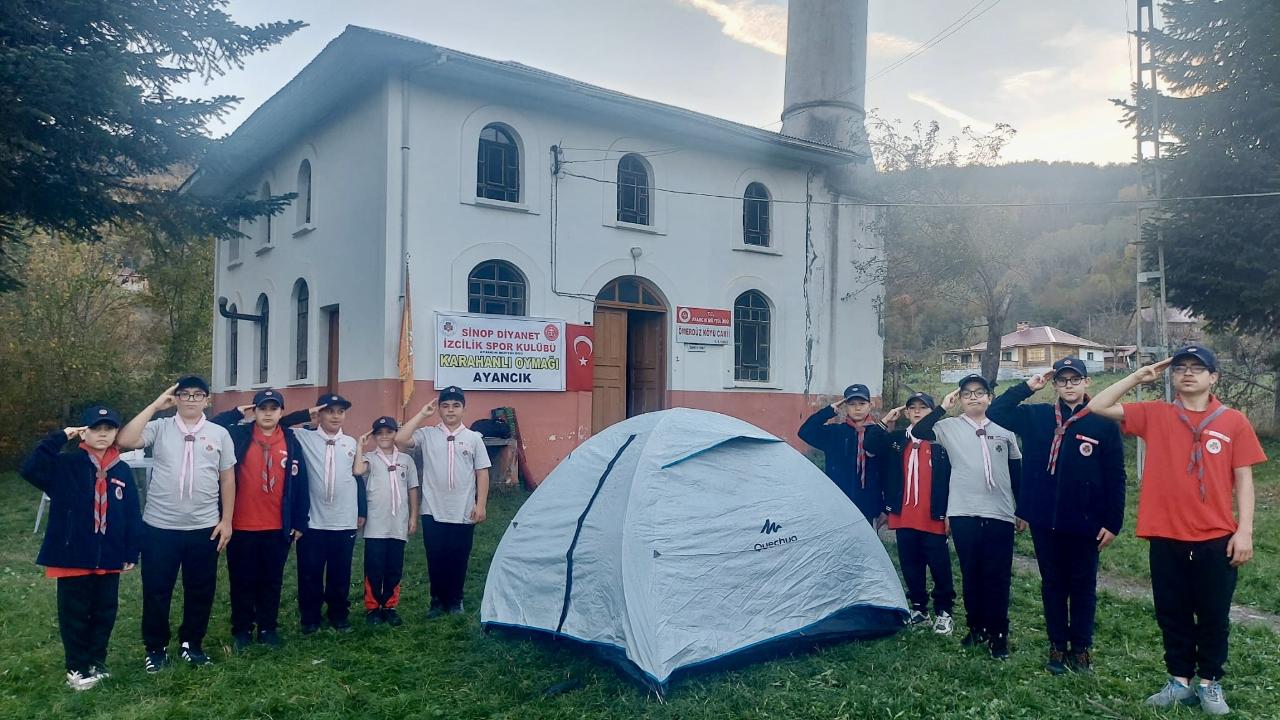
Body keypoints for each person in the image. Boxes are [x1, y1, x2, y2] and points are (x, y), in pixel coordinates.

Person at [1088, 346, 1266, 715]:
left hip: (1217, 537)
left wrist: (1244, 530)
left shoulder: (1234, 421)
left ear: (1213, 377)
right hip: (1166, 535)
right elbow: (1098, 406)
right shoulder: (1156, 414)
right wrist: (1138, 376)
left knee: (1214, 614)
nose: (1188, 374)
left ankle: (1210, 682)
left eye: (1198, 369)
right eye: (1181, 368)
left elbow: (1244, 481)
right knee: (1172, 612)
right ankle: (1179, 681)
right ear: (1171, 376)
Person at [987, 357, 1126, 675]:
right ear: (1054, 385)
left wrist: (1113, 522)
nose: (1068, 386)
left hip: (1086, 522)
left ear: (1086, 383)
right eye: (1062, 381)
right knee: (1052, 584)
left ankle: (1081, 649)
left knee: (1082, 586)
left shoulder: (1102, 421)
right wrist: (1027, 387)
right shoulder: (1037, 416)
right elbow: (997, 412)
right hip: (1044, 518)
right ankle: (1057, 647)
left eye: (1074, 380)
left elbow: (1116, 475)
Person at [117, 376, 236, 672]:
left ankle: (191, 643)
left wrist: (227, 520)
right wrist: (156, 405)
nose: (191, 400)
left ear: (207, 400)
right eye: (185, 394)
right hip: (160, 527)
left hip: (204, 527)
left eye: (198, 395)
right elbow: (125, 440)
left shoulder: (219, 433)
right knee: (157, 590)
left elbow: (228, 478)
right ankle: (155, 648)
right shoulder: (160, 428)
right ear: (176, 398)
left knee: (201, 589)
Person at [20, 407, 143, 690]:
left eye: (109, 429)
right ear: (83, 432)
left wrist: (131, 551)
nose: (103, 433)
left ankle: (97, 662)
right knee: (74, 613)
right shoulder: (67, 464)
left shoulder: (121, 468)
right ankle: (76, 666)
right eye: (96, 428)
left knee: (105, 611)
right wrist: (58, 437)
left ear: (116, 433)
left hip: (109, 554)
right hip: (72, 552)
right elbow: (30, 468)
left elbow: (132, 513)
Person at [911, 374, 1023, 660]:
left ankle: (999, 634)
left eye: (980, 392)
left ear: (989, 398)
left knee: (997, 575)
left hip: (1000, 512)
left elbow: (1017, 472)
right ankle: (976, 628)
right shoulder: (947, 427)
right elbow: (919, 431)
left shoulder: (1005, 430)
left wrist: (1021, 509)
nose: (974, 397)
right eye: (967, 393)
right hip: (963, 511)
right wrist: (942, 407)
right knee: (971, 572)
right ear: (959, 398)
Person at [209, 389, 309, 651]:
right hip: (242, 523)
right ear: (254, 411)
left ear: (281, 412)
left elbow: (300, 482)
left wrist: (299, 520)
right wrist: (234, 413)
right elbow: (208, 426)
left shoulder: (291, 439)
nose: (267, 413)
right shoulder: (238, 435)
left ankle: (268, 627)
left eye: (273, 409)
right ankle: (242, 629)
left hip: (277, 525)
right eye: (262, 408)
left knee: (271, 579)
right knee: (242, 580)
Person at [395, 386, 490, 617]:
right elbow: (400, 439)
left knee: (459, 556)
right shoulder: (427, 434)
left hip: (463, 508)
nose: (450, 410)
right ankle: (437, 601)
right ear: (438, 409)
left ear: (464, 410)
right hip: (433, 509)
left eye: (456, 406)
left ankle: (455, 600)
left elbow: (482, 472)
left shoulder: (473, 438)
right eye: (445, 406)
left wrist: (481, 504)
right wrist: (421, 414)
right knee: (435, 556)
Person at [280, 393, 366, 634]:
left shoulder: (350, 443)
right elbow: (281, 423)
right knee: (310, 572)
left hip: (344, 519)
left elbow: (357, 478)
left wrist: (362, 509)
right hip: (314, 520)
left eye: (340, 411)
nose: (336, 416)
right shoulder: (304, 438)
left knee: (340, 572)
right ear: (319, 414)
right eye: (330, 411)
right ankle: (310, 618)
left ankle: (339, 615)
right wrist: (307, 413)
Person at [880, 392, 955, 635]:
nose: (917, 412)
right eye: (912, 408)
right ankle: (919, 607)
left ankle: (944, 611)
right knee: (910, 563)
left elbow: (955, 478)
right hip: (904, 514)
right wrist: (885, 421)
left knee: (939, 564)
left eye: (923, 408)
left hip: (933, 515)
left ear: (932, 411)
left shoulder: (941, 440)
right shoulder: (897, 440)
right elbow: (871, 445)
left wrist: (950, 512)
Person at [353, 416, 420, 627]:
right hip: (376, 523)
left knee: (394, 566)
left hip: (398, 522)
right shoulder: (370, 459)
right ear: (373, 436)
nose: (384, 436)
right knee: (374, 566)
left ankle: (390, 605)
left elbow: (412, 490)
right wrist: (359, 447)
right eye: (379, 433)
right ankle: (373, 607)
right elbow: (357, 471)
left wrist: (413, 517)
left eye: (388, 432)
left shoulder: (406, 460)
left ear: (395, 433)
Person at [798, 383, 892, 526]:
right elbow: (805, 431)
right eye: (852, 404)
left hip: (869, 503)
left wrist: (885, 507)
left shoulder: (878, 433)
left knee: (866, 545)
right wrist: (828, 411)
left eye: (862, 403)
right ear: (845, 407)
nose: (857, 408)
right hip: (839, 501)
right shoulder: (835, 432)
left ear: (870, 405)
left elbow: (887, 472)